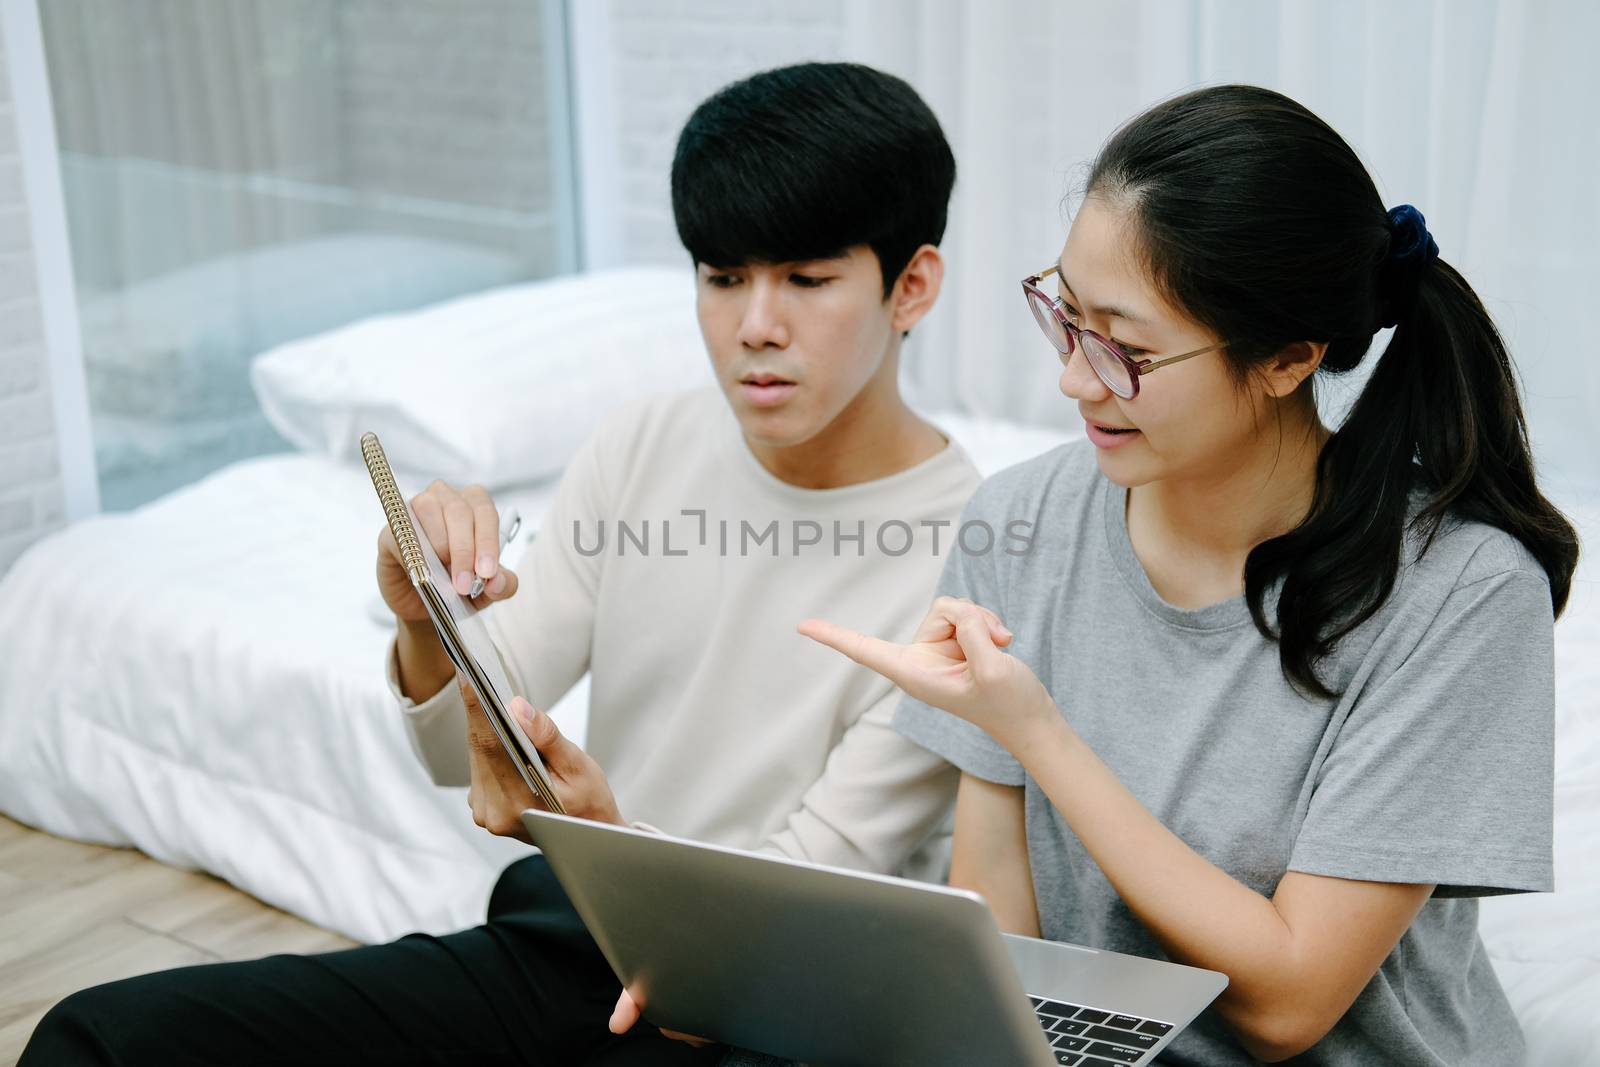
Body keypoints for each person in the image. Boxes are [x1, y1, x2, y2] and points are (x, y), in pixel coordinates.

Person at [21, 62, 985, 1066]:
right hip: (581, 941)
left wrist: (609, 831)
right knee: (101, 1038)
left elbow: (797, 905)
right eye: (722, 276)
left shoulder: (969, 551)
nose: (754, 326)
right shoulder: (641, 445)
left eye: (806, 278)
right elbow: (457, 756)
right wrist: (420, 623)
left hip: (781, 1004)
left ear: (909, 285)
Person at [786, 85, 1579, 1066]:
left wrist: (1036, 732)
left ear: (1288, 357)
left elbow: (1286, 1006)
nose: (1076, 378)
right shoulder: (1020, 518)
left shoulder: (1459, 590)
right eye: (1065, 317)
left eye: (1124, 347)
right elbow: (1000, 937)